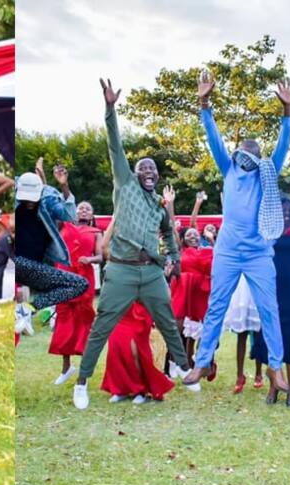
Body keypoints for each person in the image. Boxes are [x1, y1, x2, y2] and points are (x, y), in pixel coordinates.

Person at [72, 78, 193, 410]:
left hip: (152, 272)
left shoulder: (158, 204)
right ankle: (82, 382)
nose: (149, 171)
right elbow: (115, 146)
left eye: (153, 168)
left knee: (168, 321)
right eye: (143, 168)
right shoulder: (124, 185)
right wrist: (110, 108)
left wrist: (174, 259)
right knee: (102, 326)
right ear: (135, 173)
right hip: (122, 271)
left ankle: (183, 367)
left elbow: (169, 233)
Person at [182, 71, 290, 395]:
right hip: (229, 251)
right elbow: (212, 136)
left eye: (252, 156)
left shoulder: (266, 173)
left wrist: (287, 111)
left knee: (268, 309)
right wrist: (204, 101)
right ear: (236, 155)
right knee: (216, 306)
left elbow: (283, 147)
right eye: (242, 154)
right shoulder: (228, 167)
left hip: (259, 252)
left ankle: (275, 367)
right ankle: (202, 361)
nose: (246, 160)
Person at [250, 196, 290, 407]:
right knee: (269, 340)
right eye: (282, 211)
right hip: (270, 291)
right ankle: (273, 385)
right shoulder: (266, 233)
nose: (286, 215)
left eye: (289, 212)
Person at [13, 170, 88, 311]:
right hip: (15, 261)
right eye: (25, 198)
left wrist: (64, 187)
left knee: (80, 284)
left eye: (32, 198)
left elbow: (70, 216)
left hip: (33, 267)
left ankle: (29, 309)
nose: (29, 202)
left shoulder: (48, 199)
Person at [48, 202, 103, 385]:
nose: (83, 210)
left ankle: (83, 372)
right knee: (64, 322)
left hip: (83, 278)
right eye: (80, 208)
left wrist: (90, 258)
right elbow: (53, 204)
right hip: (64, 276)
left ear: (92, 214)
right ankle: (66, 367)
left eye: (88, 208)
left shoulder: (96, 233)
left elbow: (101, 256)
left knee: (82, 322)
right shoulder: (64, 226)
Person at [169, 191, 214, 374]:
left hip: (199, 293)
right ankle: (173, 363)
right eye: (189, 235)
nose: (193, 236)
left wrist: (211, 239)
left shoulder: (205, 249)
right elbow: (173, 226)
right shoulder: (181, 249)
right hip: (182, 290)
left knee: (196, 331)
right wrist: (171, 204)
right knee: (178, 329)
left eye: (196, 234)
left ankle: (195, 363)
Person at [101, 301, 175, 404]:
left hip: (140, 310)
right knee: (115, 348)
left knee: (134, 352)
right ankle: (121, 389)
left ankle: (141, 391)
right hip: (120, 309)